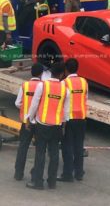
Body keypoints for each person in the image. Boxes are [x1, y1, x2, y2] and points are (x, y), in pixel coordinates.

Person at [25, 62, 70, 190]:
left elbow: (34, 105)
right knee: (54, 154)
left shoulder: (42, 86)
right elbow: (66, 112)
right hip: (56, 126)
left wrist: (29, 119)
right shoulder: (65, 90)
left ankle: (38, 182)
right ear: (62, 74)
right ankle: (52, 182)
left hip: (42, 125)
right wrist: (63, 126)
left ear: (50, 72)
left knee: (40, 154)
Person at [57, 58, 88, 182]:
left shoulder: (64, 83)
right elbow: (86, 98)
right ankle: (79, 172)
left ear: (66, 69)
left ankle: (67, 174)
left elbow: (61, 102)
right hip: (81, 117)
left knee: (67, 147)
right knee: (79, 146)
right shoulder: (84, 82)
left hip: (69, 119)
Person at [14, 63, 44, 181]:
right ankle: (35, 173)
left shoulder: (25, 85)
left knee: (23, 147)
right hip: (39, 121)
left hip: (26, 122)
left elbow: (17, 103)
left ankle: (18, 173)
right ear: (41, 73)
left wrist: (25, 109)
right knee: (40, 149)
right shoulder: (43, 86)